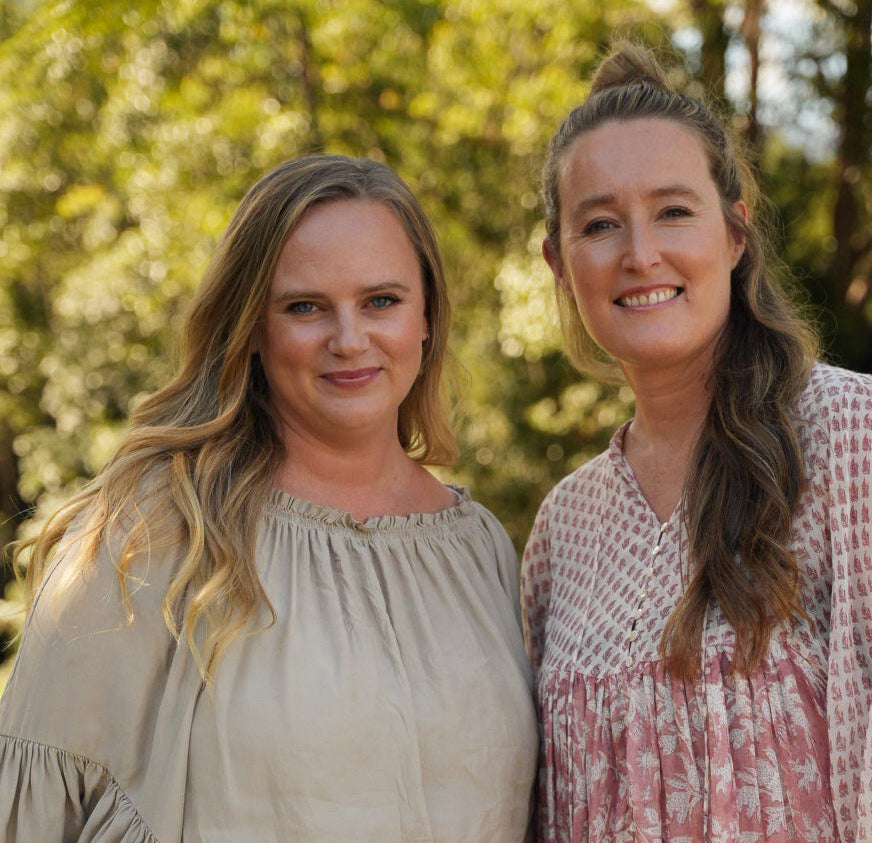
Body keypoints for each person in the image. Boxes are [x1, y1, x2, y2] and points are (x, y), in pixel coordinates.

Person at [521, 41, 872, 843]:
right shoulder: (563, 531)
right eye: (600, 224)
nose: (640, 253)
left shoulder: (859, 438)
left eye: (673, 210)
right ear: (560, 264)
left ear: (735, 235)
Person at [0, 153, 537, 842]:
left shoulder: (477, 546)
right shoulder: (156, 527)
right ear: (253, 326)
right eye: (305, 307)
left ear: (427, 315)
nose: (350, 339)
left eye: (381, 300)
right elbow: (33, 807)